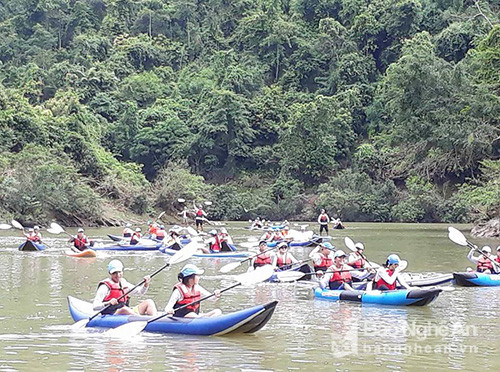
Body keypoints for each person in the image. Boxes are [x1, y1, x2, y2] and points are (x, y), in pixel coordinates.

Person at [92, 259, 157, 316]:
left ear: (122, 272)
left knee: (149, 302)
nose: (117, 275)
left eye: (119, 272)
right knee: (124, 309)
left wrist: (146, 284)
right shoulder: (104, 287)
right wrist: (108, 303)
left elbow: (140, 292)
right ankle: (141, 320)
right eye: (114, 273)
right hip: (111, 314)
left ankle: (155, 321)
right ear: (110, 273)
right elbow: (95, 306)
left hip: (127, 311)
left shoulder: (124, 283)